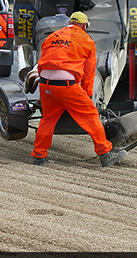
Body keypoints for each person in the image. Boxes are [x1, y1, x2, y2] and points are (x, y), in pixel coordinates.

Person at [30, 12, 128, 168]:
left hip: (46, 84)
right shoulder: (87, 40)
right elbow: (89, 74)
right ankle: (105, 153)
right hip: (66, 85)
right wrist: (88, 95)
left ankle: (39, 155)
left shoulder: (52, 36)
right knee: (90, 116)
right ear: (84, 25)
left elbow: (41, 61)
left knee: (48, 119)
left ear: (69, 22)